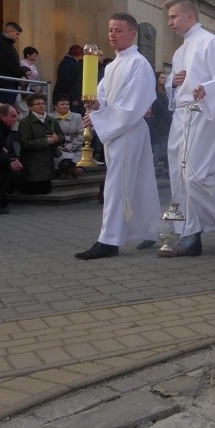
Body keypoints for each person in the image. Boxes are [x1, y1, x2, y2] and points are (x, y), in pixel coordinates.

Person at [160, 0, 215, 258]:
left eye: (174, 16)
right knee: (178, 176)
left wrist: (204, 89)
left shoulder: (211, 42)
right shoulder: (178, 51)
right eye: (169, 18)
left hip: (204, 113)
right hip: (182, 116)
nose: (170, 22)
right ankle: (190, 236)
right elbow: (173, 91)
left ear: (190, 16)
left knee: (194, 175)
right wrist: (172, 85)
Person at [73, 14, 161, 259]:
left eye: (119, 30)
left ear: (132, 33)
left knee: (115, 185)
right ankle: (152, 230)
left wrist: (100, 118)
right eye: (110, 30)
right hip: (118, 130)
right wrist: (95, 107)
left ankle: (109, 240)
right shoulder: (111, 65)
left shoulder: (138, 63)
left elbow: (134, 104)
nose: (112, 34)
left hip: (129, 130)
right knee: (140, 182)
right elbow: (103, 98)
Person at [17, 93, 63, 194]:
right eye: (37, 104)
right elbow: (25, 143)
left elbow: (62, 137)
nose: (41, 106)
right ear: (30, 107)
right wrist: (46, 141)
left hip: (47, 163)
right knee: (32, 192)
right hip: (32, 165)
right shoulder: (25, 122)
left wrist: (57, 138)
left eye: (43, 103)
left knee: (45, 190)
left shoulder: (51, 120)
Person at [0, 22, 25, 105]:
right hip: (5, 83)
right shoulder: (2, 45)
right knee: (4, 109)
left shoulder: (7, 45)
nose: (18, 37)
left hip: (7, 82)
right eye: (17, 34)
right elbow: (9, 64)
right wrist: (22, 72)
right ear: (9, 31)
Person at [50, 94, 85, 179]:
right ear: (55, 106)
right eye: (62, 104)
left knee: (77, 161)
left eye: (67, 104)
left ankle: (68, 170)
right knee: (63, 160)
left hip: (75, 147)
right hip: (58, 147)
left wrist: (72, 146)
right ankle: (70, 170)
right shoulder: (50, 117)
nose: (65, 106)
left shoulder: (77, 116)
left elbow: (81, 133)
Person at [148, 71, 172, 172]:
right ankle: (153, 166)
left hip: (166, 123)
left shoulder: (164, 92)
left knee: (165, 145)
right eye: (161, 77)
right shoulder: (156, 92)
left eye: (164, 78)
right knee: (160, 146)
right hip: (159, 123)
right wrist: (169, 114)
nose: (164, 79)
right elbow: (160, 107)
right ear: (157, 79)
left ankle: (167, 167)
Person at [55, 45, 84, 115]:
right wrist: (74, 98)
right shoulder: (69, 63)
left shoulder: (67, 62)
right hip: (68, 95)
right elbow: (72, 82)